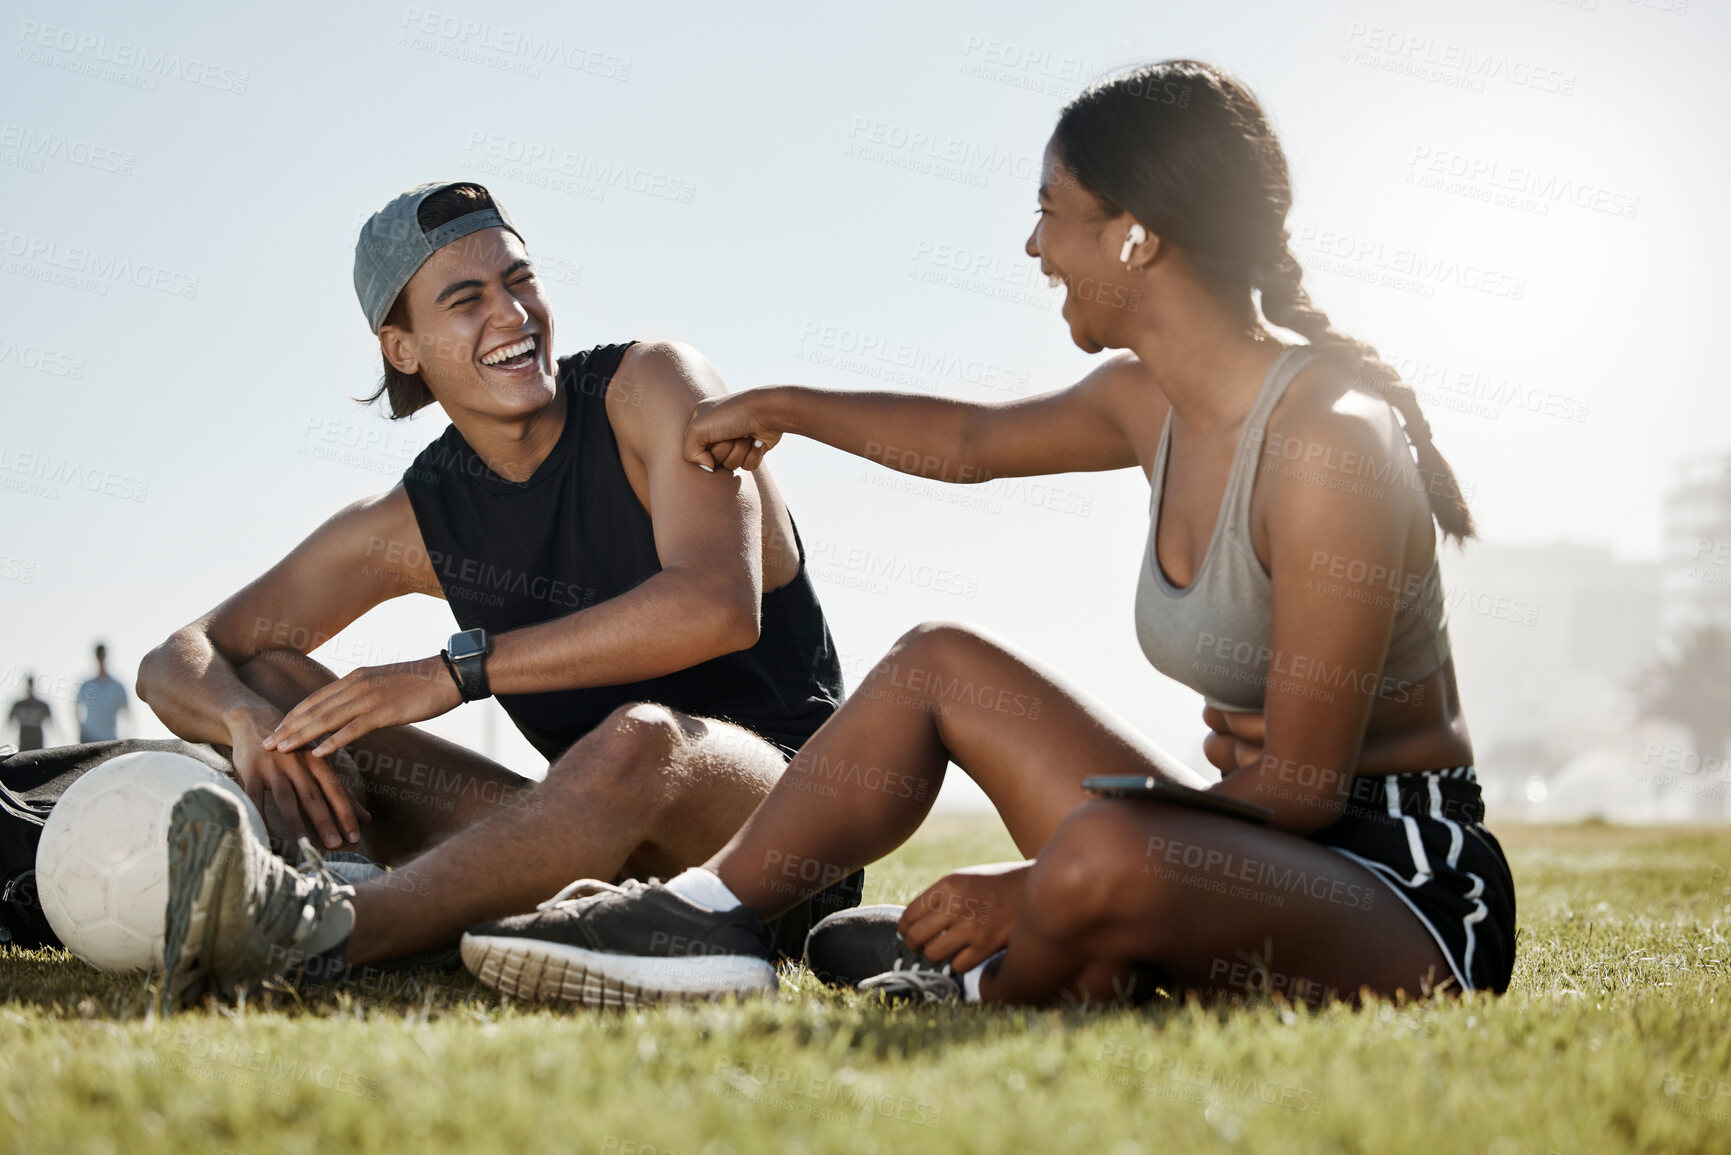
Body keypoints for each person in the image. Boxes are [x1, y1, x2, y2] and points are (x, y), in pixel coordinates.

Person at [459, 61, 1517, 1009]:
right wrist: (788, 407)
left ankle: (1012, 966)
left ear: (1135, 233)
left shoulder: (1331, 446)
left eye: (1051, 211)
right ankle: (704, 919)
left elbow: (1299, 792)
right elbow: (968, 441)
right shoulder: (1147, 402)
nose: (1033, 244)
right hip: (1241, 854)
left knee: (1104, 854)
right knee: (937, 663)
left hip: (1398, 889)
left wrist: (1037, 882)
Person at [144, 181, 856, 1008]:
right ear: (402, 348)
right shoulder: (419, 513)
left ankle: (321, 930)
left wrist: (454, 671)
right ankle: (360, 876)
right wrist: (246, 723)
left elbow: (715, 606)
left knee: (640, 740)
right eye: (466, 299)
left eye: (520, 280)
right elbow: (179, 657)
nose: (514, 314)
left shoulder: (650, 388)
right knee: (271, 678)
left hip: (786, 845)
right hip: (586, 831)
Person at [76, 644, 129, 743]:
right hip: (89, 740)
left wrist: (125, 737)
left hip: (111, 740)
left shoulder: (117, 686)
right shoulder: (87, 685)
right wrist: (80, 730)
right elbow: (76, 708)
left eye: (102, 655)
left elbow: (127, 712)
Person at [7, 675, 53, 751]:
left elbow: (52, 726)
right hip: (23, 742)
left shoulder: (42, 705)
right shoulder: (18, 705)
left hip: (38, 743)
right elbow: (8, 725)